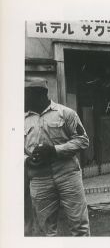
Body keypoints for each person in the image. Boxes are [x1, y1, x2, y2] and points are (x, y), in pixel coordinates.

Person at [24, 77, 90, 236]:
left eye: (27, 95)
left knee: (79, 226)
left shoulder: (66, 113)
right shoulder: (21, 120)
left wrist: (55, 150)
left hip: (67, 174)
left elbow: (83, 140)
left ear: (40, 94)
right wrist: (27, 160)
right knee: (45, 230)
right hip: (39, 179)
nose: (24, 99)